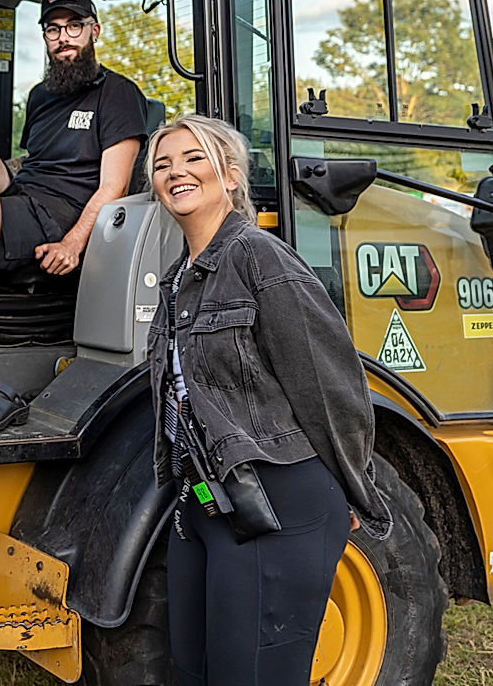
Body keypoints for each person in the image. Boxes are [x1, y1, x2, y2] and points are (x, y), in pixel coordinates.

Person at [146, 114, 392, 685]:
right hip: (207, 499)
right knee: (192, 670)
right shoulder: (179, 277)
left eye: (193, 159)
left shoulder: (261, 258)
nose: (176, 172)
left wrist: (353, 481)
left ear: (230, 176)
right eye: (163, 165)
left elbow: (330, 382)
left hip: (279, 495)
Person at [0, 0, 148, 432]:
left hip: (60, 215)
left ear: (94, 31)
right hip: (26, 196)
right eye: (53, 30)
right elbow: (32, 162)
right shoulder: (41, 96)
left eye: (74, 27)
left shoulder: (117, 94)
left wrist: (73, 243)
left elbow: (114, 184)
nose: (64, 37)